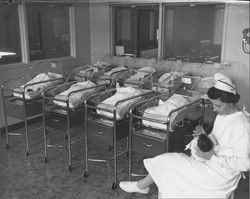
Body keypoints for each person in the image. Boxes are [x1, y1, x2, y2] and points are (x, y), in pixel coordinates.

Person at [119, 73, 250, 198]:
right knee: (169, 163)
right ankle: (142, 186)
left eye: (218, 106)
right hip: (209, 162)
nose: (214, 109)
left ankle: (141, 186)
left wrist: (211, 157)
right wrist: (204, 135)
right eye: (213, 105)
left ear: (231, 102)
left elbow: (245, 164)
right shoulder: (224, 114)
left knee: (168, 162)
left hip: (219, 176)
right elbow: (220, 140)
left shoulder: (242, 125)